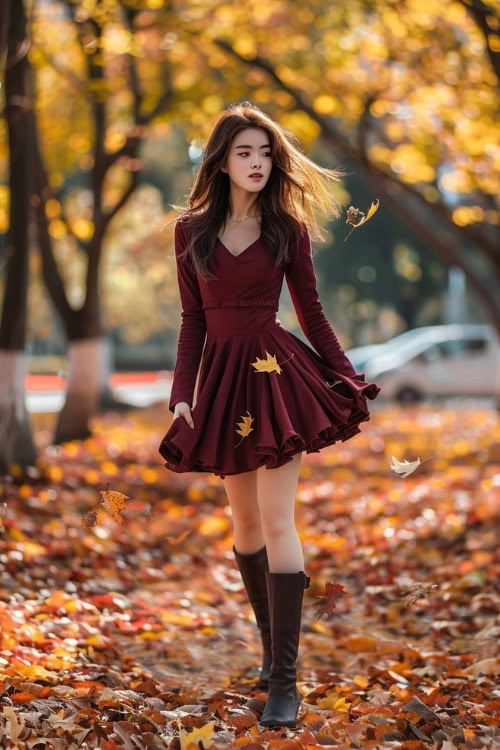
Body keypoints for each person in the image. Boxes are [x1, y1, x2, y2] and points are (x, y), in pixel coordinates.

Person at [158, 101, 381, 729]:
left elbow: (311, 312)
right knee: (245, 524)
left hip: (276, 378)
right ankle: (267, 649)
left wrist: (345, 374)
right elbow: (191, 319)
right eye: (244, 153)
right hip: (223, 384)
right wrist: (183, 391)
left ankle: (285, 682)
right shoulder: (190, 232)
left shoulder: (288, 229)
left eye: (265, 153)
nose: (257, 163)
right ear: (222, 161)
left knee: (279, 520)